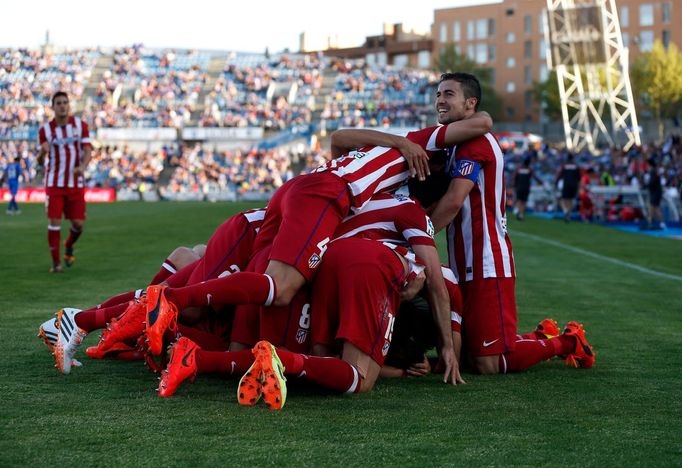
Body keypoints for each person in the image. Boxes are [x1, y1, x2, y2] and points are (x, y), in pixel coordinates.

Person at [142, 112, 493, 383]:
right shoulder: (407, 185)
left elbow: (339, 139)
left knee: (227, 320)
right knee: (336, 357)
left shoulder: (376, 190)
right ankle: (163, 308)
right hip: (314, 227)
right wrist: (444, 351)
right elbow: (436, 279)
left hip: (281, 224)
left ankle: (137, 320)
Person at [334, 72, 595, 375]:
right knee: (475, 350)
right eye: (438, 95)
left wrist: (414, 237)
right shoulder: (454, 143)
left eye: (448, 95)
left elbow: (454, 201)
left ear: (470, 103)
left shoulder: (475, 142)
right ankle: (539, 336)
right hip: (465, 259)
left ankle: (567, 342)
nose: (440, 101)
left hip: (486, 260)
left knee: (488, 363)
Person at [37, 91, 93, 272]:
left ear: (69, 105)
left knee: (78, 224)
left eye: (65, 102)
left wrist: (82, 167)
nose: (62, 105)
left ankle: (68, 245)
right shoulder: (45, 130)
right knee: (54, 223)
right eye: (58, 103)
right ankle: (56, 263)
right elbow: (39, 161)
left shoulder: (80, 126)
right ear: (52, 107)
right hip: (54, 184)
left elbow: (87, 151)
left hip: (75, 183)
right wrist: (42, 153)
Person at [555, 153, 581, 222]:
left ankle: (565, 211)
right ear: (572, 158)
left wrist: (556, 183)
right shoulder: (576, 166)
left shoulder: (564, 166)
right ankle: (568, 215)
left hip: (566, 184)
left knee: (563, 199)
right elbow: (579, 177)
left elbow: (559, 175)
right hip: (574, 185)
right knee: (570, 200)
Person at [644, 158, 665, 230]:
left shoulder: (653, 172)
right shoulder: (655, 171)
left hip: (655, 193)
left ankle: (650, 223)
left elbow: (651, 182)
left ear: (649, 165)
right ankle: (661, 223)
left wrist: (644, 186)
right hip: (656, 192)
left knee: (652, 208)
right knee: (655, 208)